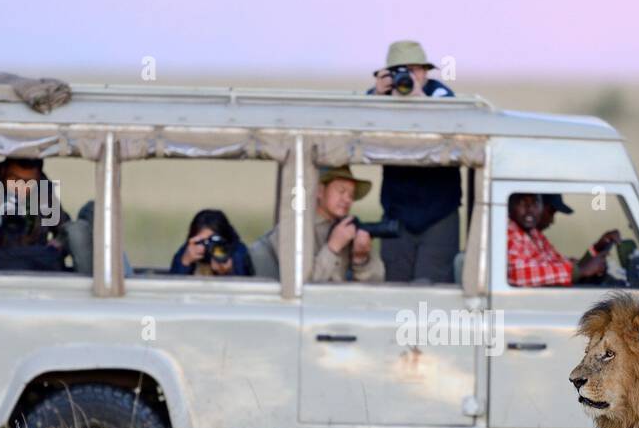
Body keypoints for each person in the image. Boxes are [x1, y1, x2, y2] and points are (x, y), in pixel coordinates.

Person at [366, 40, 460, 283]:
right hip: (398, 213)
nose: (411, 76)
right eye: (403, 71)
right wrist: (377, 96)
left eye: (417, 69)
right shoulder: (381, 97)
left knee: (433, 289)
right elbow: (355, 120)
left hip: (439, 212)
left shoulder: (439, 95)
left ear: (426, 72)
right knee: (396, 286)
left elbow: (456, 123)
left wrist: (421, 101)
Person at [245, 166, 385, 283]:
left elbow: (375, 285)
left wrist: (361, 259)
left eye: (351, 194)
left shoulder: (350, 229)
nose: (347, 199)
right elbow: (300, 288)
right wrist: (333, 247)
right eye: (341, 191)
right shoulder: (294, 229)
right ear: (319, 191)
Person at [506, 192, 619, 287]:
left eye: (535, 203)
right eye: (522, 203)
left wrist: (597, 248)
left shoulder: (535, 235)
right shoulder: (508, 232)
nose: (530, 209)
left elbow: (561, 263)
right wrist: (579, 271)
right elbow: (516, 273)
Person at [170, 209, 253, 277]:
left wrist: (230, 272)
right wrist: (184, 263)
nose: (209, 247)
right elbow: (173, 287)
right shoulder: (189, 250)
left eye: (213, 241)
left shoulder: (238, 253)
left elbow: (247, 285)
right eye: (203, 242)